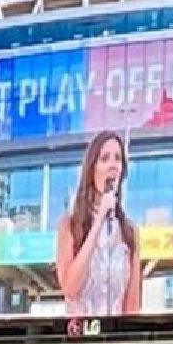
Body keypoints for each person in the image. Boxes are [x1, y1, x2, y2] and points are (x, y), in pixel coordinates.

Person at [56, 131, 141, 316]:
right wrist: (99, 220)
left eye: (118, 159)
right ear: (91, 168)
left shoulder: (130, 232)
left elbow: (132, 304)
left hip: (117, 337)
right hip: (81, 339)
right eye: (105, 158)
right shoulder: (70, 225)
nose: (113, 165)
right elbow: (70, 288)